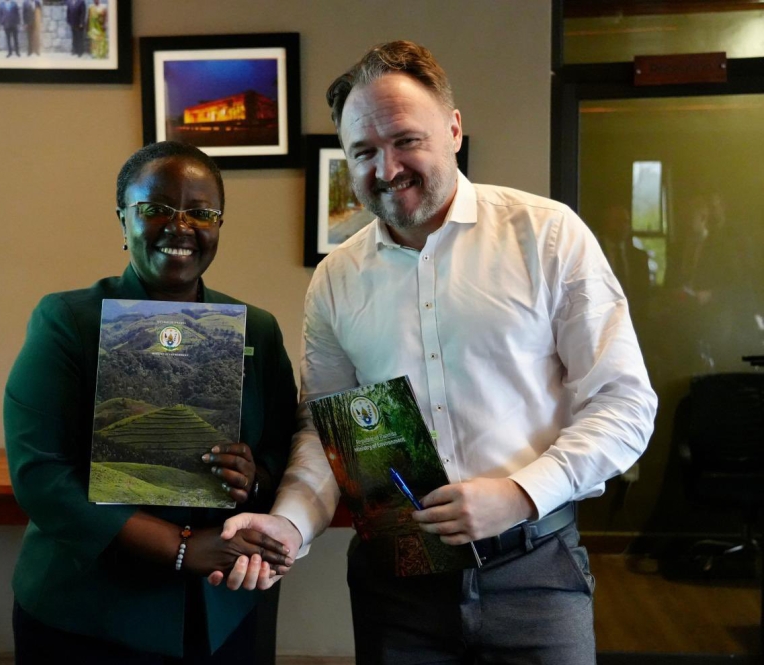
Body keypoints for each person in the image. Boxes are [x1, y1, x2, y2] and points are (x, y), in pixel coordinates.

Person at [215, 41, 657, 664]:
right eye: (363, 152)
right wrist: (288, 522)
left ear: (453, 130)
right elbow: (326, 434)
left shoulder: (547, 235)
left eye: (405, 140)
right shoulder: (337, 280)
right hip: (396, 586)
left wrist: (521, 494)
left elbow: (625, 405)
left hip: (534, 570)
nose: (386, 167)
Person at [5, 141, 298, 663]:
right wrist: (181, 546)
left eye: (201, 212)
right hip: (88, 614)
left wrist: (253, 476)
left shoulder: (257, 329)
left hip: (219, 608)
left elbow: (282, 449)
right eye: (155, 209)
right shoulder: (67, 322)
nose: (179, 226)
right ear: (123, 220)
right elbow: (40, 476)